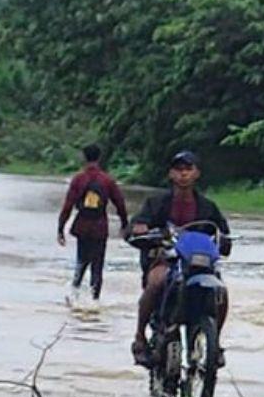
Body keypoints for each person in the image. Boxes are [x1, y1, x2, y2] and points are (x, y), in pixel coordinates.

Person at [128, 150, 231, 366]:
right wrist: (140, 229)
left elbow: (223, 234)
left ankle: (216, 343)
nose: (183, 174)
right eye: (179, 169)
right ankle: (139, 337)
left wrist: (224, 242)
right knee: (156, 282)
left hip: (198, 265)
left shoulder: (208, 207)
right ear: (171, 174)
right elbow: (134, 228)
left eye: (188, 169)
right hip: (165, 260)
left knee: (221, 291)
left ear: (197, 174)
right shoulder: (156, 204)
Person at [56, 144, 129, 302]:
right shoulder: (107, 180)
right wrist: (124, 224)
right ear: (99, 157)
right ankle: (94, 300)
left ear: (84, 157)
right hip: (100, 226)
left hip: (82, 225)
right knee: (97, 266)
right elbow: (120, 204)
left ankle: (74, 295)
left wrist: (60, 229)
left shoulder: (78, 179)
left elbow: (68, 206)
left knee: (81, 261)